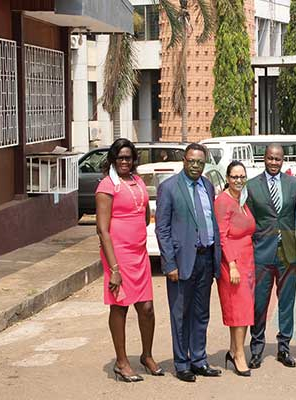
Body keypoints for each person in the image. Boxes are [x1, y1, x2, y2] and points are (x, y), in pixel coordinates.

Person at [95, 138, 162, 382]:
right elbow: (102, 230)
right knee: (120, 307)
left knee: (147, 308)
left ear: (134, 160)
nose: (124, 161)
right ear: (113, 159)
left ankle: (147, 355)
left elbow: (144, 215)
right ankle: (121, 362)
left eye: (128, 157)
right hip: (118, 256)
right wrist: (114, 268)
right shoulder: (106, 186)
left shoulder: (137, 181)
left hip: (139, 254)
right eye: (120, 157)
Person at [155, 143, 223, 383]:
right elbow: (161, 229)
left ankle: (199, 360)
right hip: (182, 262)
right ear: (184, 160)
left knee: (201, 313)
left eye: (200, 162)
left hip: (206, 258)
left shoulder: (207, 186)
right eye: (191, 161)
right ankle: (182, 363)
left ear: (204, 164)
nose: (195, 166)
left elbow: (210, 220)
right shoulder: (169, 188)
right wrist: (169, 263)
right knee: (180, 314)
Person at [245, 144, 296, 369]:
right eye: (270, 158)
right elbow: (249, 221)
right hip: (262, 253)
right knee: (259, 303)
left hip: (288, 253)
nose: (274, 163)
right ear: (264, 159)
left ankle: (284, 348)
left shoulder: (293, 184)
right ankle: (256, 349)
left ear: (283, 160)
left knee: (286, 303)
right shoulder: (252, 186)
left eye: (278, 159)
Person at [214, 161, 256, 377]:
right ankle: (239, 355)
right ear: (227, 178)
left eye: (242, 177)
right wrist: (231, 265)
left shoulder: (242, 200)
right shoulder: (223, 201)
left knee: (246, 311)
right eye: (234, 177)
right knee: (239, 310)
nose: (238, 180)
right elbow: (221, 237)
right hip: (233, 262)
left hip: (248, 261)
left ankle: (234, 349)